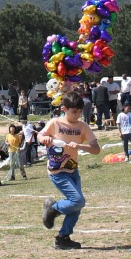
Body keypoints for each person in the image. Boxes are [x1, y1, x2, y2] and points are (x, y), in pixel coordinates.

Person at [38, 88, 100, 250]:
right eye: (74, 112)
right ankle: (53, 208)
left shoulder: (83, 126)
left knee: (76, 205)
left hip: (73, 170)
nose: (77, 115)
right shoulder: (55, 123)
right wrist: (43, 138)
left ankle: (63, 238)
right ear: (64, 109)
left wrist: (80, 145)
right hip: (57, 171)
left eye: (80, 112)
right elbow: (40, 135)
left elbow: (96, 149)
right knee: (78, 201)